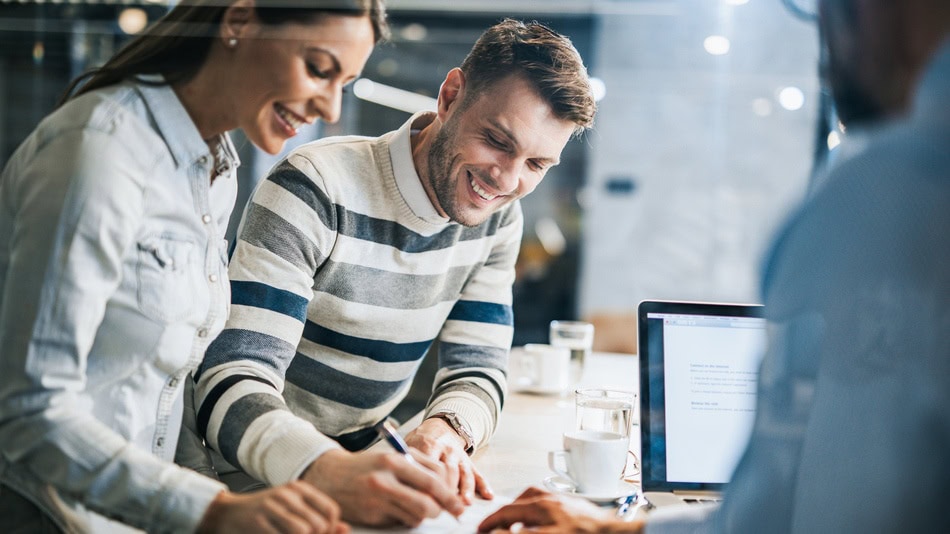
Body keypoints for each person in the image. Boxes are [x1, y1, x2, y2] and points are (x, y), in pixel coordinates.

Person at [477, 0, 950, 532]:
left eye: (832, 9)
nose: (826, 33)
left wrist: (613, 528)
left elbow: (786, 512)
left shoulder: (888, 197)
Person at [192, 18, 597, 528]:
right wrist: (329, 470)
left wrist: (445, 431)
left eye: (537, 164)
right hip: (251, 490)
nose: (507, 179)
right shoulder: (316, 186)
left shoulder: (498, 218)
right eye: (497, 140)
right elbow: (229, 378)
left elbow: (479, 366)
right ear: (451, 96)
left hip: (366, 474)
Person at [0, 0, 387, 532]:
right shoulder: (99, 151)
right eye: (318, 69)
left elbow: (168, 385)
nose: (331, 108)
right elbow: (30, 411)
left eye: (344, 82)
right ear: (239, 20)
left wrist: (215, 494)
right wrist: (213, 511)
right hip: (49, 515)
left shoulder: (217, 168)